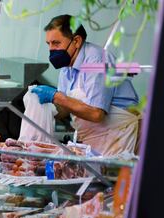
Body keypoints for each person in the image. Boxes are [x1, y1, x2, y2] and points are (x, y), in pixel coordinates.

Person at [31, 14, 141, 156]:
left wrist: (56, 96)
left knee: (110, 177)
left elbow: (96, 114)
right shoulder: (67, 66)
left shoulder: (96, 61)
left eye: (56, 43)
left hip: (120, 133)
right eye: (49, 44)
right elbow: (66, 108)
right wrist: (44, 107)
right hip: (96, 137)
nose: (51, 49)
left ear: (76, 41)